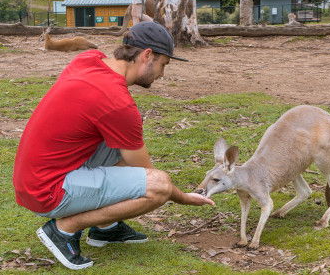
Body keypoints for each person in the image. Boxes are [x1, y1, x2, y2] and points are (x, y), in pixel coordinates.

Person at [12, 21, 215, 270]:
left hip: (32, 178)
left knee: (130, 125)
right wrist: (184, 198)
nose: (162, 74)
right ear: (147, 55)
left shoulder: (89, 59)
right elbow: (150, 176)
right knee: (159, 186)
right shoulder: (117, 102)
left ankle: (105, 228)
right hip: (47, 192)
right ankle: (64, 229)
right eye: (163, 65)